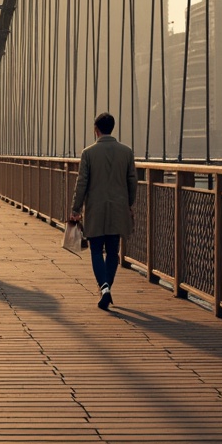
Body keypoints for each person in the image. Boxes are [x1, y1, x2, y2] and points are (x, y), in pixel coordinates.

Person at [70, 112, 137, 310]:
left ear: (95, 129)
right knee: (113, 250)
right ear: (112, 128)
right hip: (118, 208)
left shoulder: (88, 153)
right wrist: (129, 204)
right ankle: (107, 285)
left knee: (96, 250)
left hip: (95, 209)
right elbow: (132, 181)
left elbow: (81, 183)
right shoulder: (127, 152)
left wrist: (75, 208)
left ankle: (104, 287)